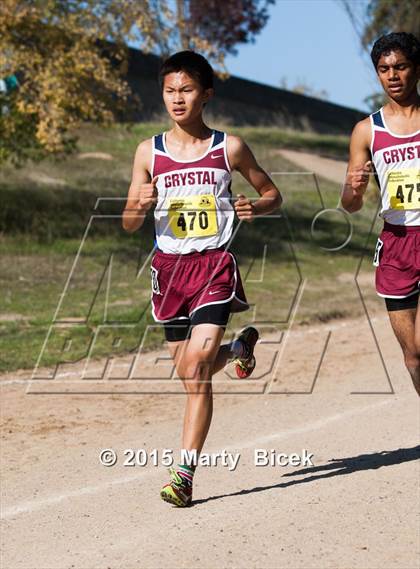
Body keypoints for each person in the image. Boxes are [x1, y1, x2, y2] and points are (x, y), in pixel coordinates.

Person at [122, 51, 281, 506]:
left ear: (206, 94)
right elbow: (130, 224)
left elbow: (272, 192)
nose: (177, 99)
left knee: (197, 366)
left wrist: (257, 205)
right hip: (169, 272)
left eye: (187, 90)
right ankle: (238, 350)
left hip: (213, 265)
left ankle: (184, 475)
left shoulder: (228, 148)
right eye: (170, 91)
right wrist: (140, 203)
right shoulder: (147, 153)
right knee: (192, 372)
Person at [341, 32, 420, 395]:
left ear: (415, 69)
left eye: (400, 66)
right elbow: (350, 203)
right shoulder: (366, 131)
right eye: (384, 69)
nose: (392, 75)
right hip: (396, 243)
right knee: (413, 357)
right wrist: (354, 190)